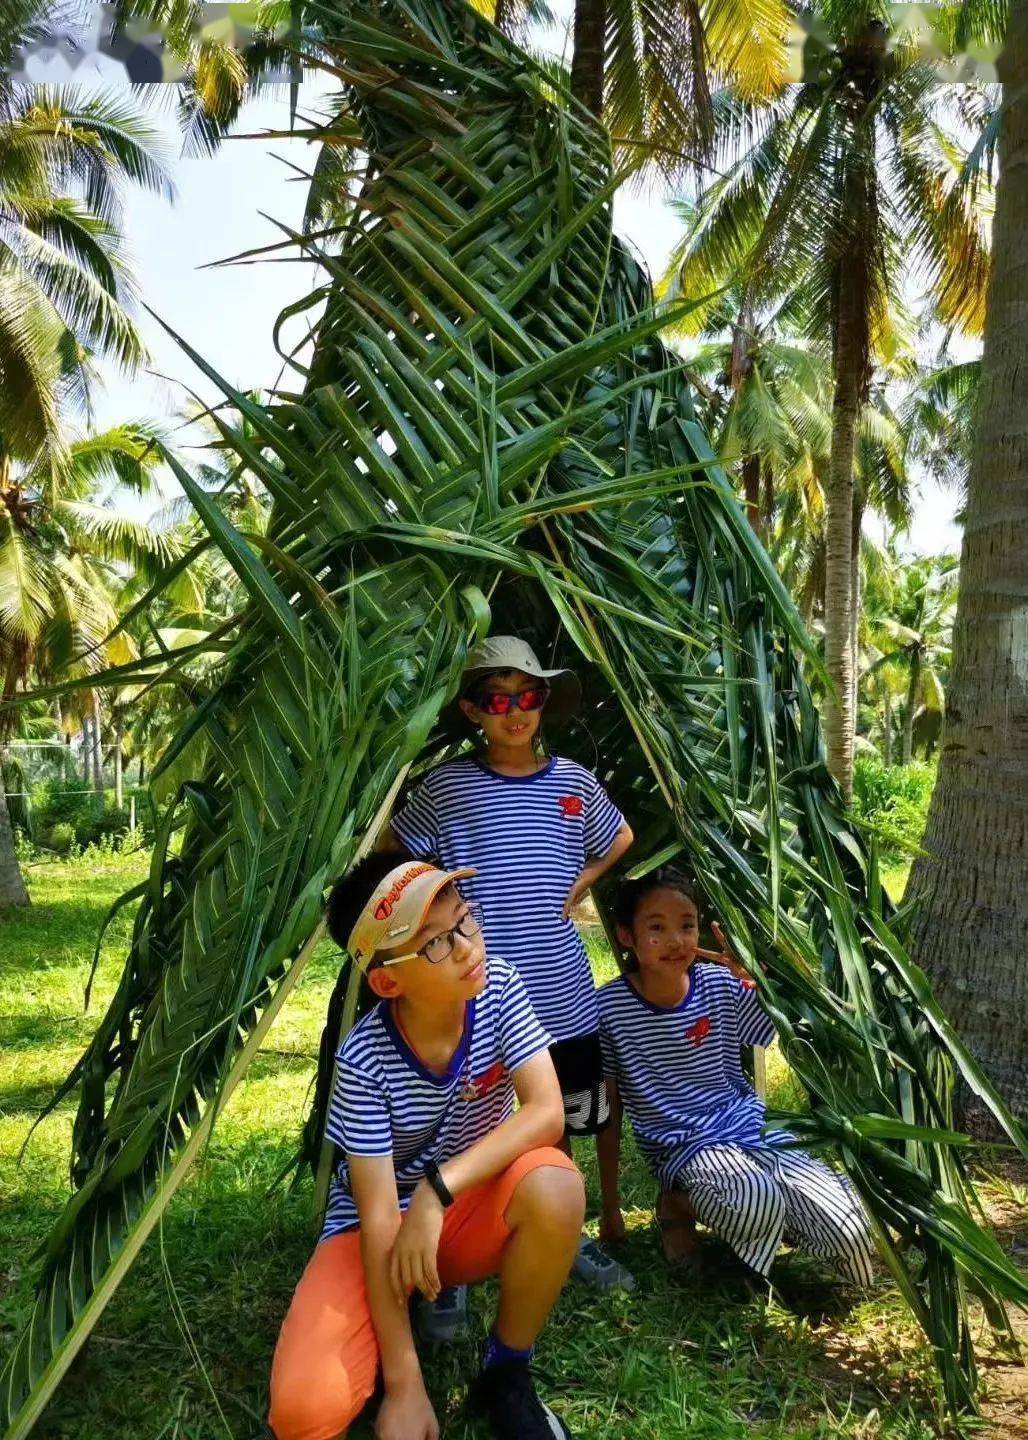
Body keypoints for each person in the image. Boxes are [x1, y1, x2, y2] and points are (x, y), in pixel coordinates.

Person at [269, 856, 585, 1440]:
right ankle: (400, 1331)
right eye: (437, 943)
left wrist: (438, 1192)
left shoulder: (500, 991)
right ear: (388, 981)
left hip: (459, 1211)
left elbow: (545, 1111)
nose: (467, 947)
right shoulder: (363, 1062)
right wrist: (406, 1385)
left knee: (556, 1183)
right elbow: (380, 1219)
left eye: (465, 921)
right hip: (376, 1231)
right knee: (301, 1414)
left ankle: (507, 1369)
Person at [384, 635, 635, 1325]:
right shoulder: (448, 786)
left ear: (543, 701)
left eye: (527, 696)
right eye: (497, 699)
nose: (514, 711)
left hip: (561, 986)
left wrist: (581, 882)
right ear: (473, 710)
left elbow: (619, 837)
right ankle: (459, 1257)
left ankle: (563, 1227)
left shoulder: (574, 783)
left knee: (555, 1121)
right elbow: (394, 849)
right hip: (481, 990)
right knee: (472, 1119)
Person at [596, 866, 875, 1288]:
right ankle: (677, 1206)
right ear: (626, 937)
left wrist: (758, 979)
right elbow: (609, 1110)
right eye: (657, 927)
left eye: (687, 926)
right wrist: (611, 1206)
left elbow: (780, 1028)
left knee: (848, 1226)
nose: (676, 941)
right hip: (683, 1147)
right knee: (753, 1200)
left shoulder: (719, 984)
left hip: (752, 1127)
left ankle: (776, 1218)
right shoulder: (610, 1010)